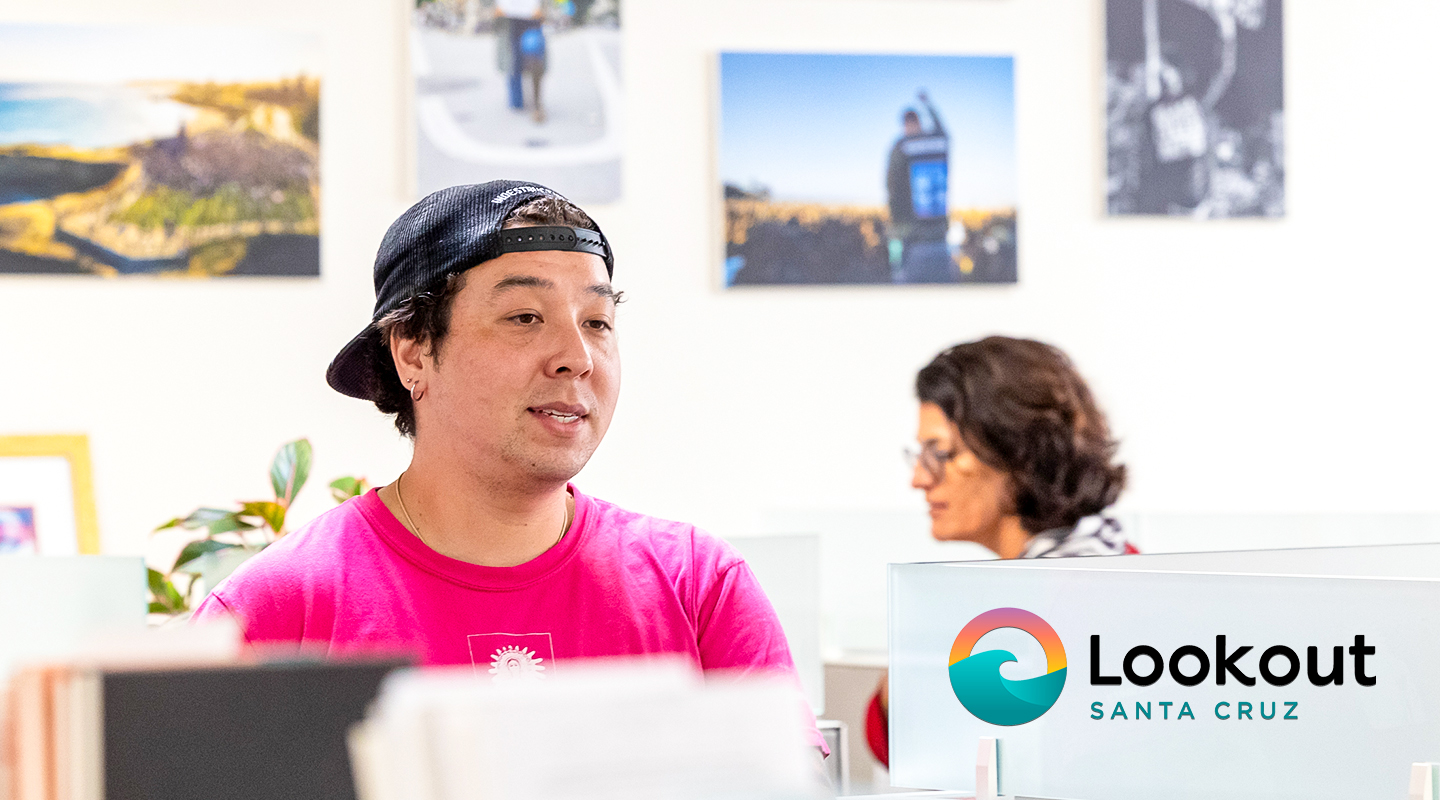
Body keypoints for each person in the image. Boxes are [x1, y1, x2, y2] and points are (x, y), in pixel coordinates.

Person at [193, 180, 825, 754]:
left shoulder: (697, 587)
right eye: (526, 317)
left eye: (597, 321)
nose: (576, 358)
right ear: (412, 350)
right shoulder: (277, 610)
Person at [865, 336, 1135, 767]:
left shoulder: (1097, 601)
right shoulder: (1047, 586)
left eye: (939, 453)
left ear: (1014, 450)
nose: (919, 478)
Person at [885, 91, 954, 284]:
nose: (910, 128)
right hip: (929, 233)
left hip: (916, 235)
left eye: (911, 124)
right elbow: (944, 133)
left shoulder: (902, 147)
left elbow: (891, 187)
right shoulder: (930, 143)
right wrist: (929, 105)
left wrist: (896, 223)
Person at [494, 0, 548, 123]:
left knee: (535, 66)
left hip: (532, 23)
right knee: (515, 66)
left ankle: (536, 106)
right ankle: (517, 102)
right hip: (513, 26)